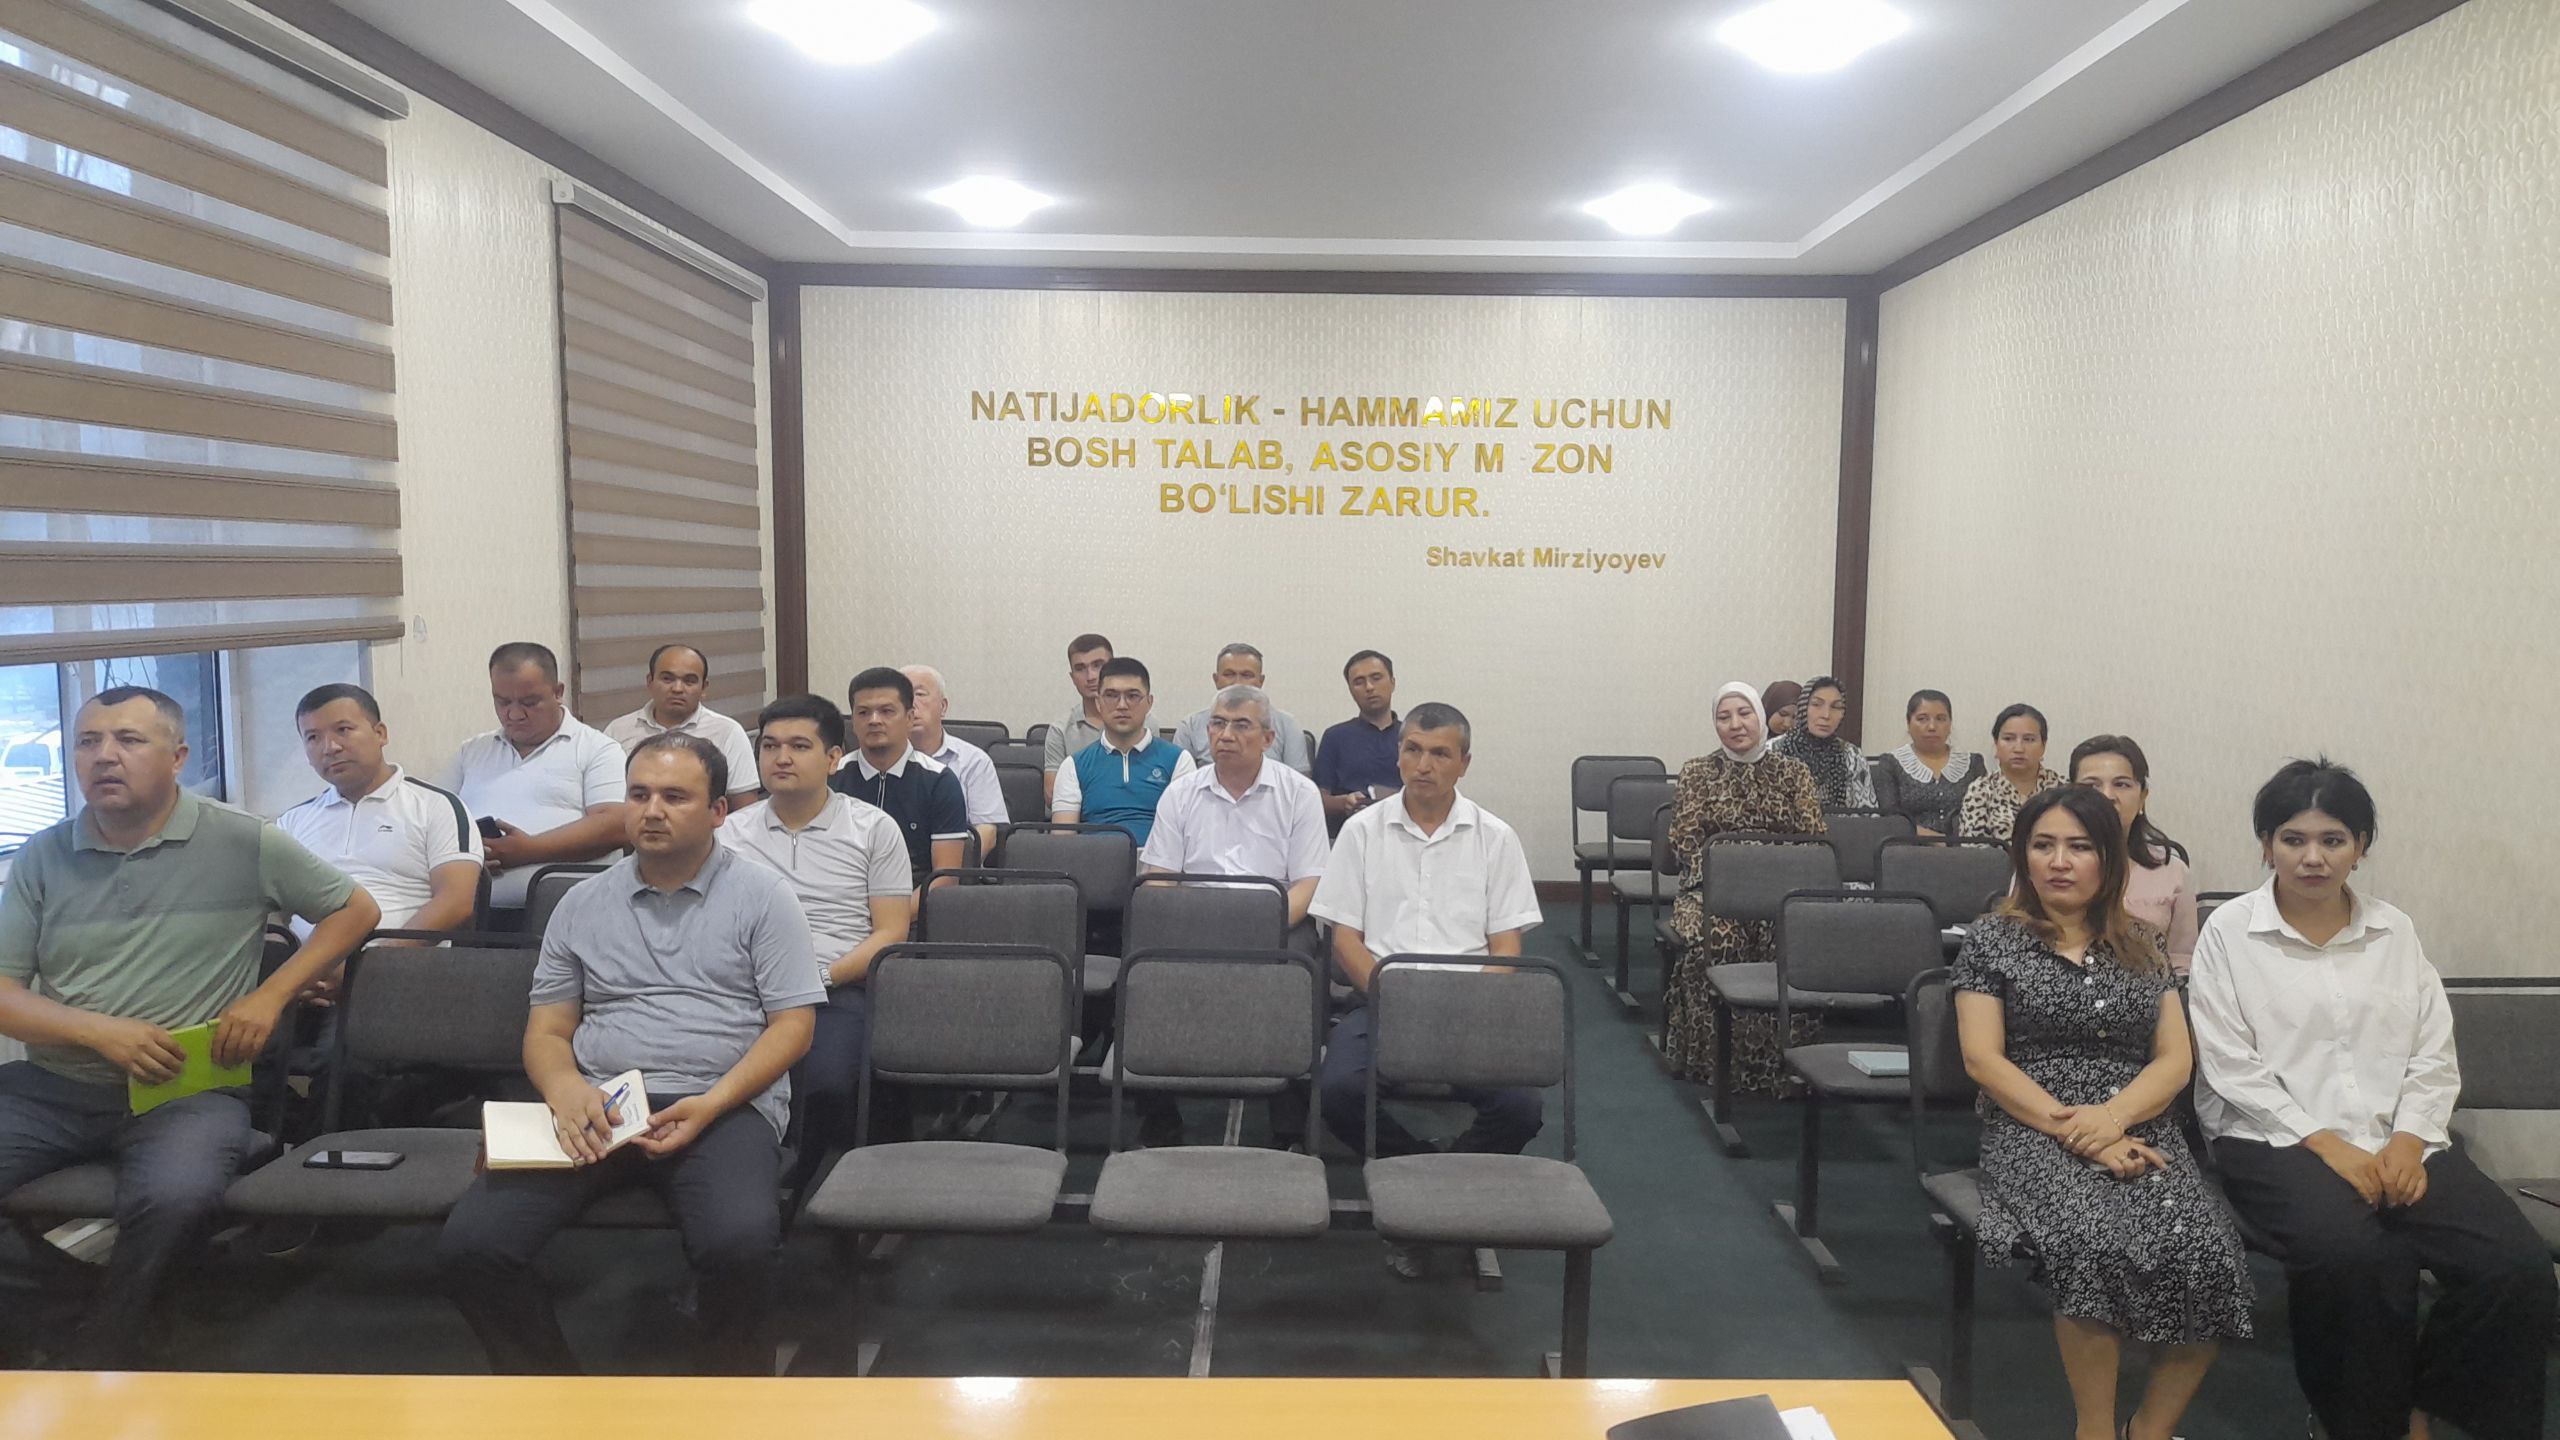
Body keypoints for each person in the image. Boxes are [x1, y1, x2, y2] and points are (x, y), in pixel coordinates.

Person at [0, 687, 379, 1367]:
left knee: (176, 1197)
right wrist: (98, 1032)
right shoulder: (42, 856)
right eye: (88, 741)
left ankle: (104, 1350)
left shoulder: (241, 840)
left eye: (128, 740)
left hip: (186, 1089)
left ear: (177, 758)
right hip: (55, 1086)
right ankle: (62, 1307)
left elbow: (355, 910)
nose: (104, 757)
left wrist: (272, 996)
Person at [2189, 760, 2554, 1440]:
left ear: (2360, 846)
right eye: (2294, 839)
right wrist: (2328, 1145)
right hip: (2274, 1139)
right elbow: (2231, 1065)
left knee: (2515, 1268)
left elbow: (2432, 1050)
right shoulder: (2230, 933)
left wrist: (2410, 1140)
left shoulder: (2394, 931)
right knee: (2356, 1258)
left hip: (2399, 1135)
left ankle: (2427, 1404)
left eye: (2334, 839)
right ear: (2266, 845)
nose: (2313, 858)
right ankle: (2360, 1424)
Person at [436, 734, 821, 1376]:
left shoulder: (764, 897)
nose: (652, 811)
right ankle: (559, 1399)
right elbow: (548, 1031)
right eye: (639, 795)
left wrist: (712, 1104)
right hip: (598, 1104)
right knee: (473, 1245)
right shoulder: (581, 902)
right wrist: (565, 1091)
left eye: (675, 797)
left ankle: (727, 1402)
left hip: (720, 1105)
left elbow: (794, 1027)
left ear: (718, 811)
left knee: (741, 1245)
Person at [1952, 784, 2252, 1440]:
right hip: (2031, 1125)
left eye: (2079, 847)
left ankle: (2149, 1430)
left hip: (2139, 1123)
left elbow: (2174, 1061)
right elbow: (1983, 1060)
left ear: (2108, 859)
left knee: (2207, 1252)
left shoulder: (2141, 943)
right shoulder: (1992, 938)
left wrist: (2112, 1119)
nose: (2059, 862)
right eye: (2043, 846)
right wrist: (2080, 1129)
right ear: (2023, 856)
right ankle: (2093, 1430)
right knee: (2092, 1243)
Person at [1310, 702, 1544, 1275]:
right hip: (1383, 999)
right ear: (1399, 755)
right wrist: (1392, 999)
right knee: (1339, 1091)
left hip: (1469, 1006)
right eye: (1413, 749)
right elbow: (1345, 939)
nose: (1423, 764)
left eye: (1440, 753)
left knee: (1522, 1107)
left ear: (1464, 763)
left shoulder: (1496, 837)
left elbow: (1506, 947)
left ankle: (1430, 1192)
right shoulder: (1362, 832)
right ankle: (1421, 1176)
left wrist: (1473, 1005)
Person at [721, 695, 913, 1177]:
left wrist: (820, 976)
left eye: (799, 746)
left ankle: (797, 1181)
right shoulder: (728, 834)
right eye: (770, 746)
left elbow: (890, 933)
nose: (781, 758)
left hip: (835, 989)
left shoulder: (874, 829)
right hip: (742, 990)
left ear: (833, 758)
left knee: (825, 1080)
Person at [1140, 683, 1332, 1148]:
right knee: (1144, 964)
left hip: (1276, 922)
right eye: (1218, 724)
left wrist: (1258, 925)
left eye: (1241, 725)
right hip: (1195, 920)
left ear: (1268, 738)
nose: (1226, 735)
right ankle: (1160, 1114)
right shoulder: (1181, 793)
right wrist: (1191, 923)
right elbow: (1159, 878)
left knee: (1299, 964)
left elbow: (1310, 883)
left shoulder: (1298, 793)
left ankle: (1288, 1120)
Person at [1659, 683, 1825, 1089]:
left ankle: (1785, 1067)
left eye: (1744, 713)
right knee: (1716, 941)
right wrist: (1737, 877)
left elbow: (1814, 840)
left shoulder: (1793, 772)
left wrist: (1768, 876)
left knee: (1792, 945)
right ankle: (1714, 1065)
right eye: (1724, 717)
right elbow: (1685, 841)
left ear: (1760, 717)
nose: (1735, 724)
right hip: (1711, 892)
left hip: (1783, 894)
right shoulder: (1698, 772)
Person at [279, 683, 484, 937]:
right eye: (313, 737)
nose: (330, 747)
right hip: (302, 959)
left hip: (400, 958)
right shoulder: (292, 822)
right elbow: (268, 908)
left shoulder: (436, 806)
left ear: (380, 734)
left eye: (343, 730)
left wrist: (383, 955)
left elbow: (456, 902)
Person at [451, 642, 627, 909]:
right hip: (473, 910)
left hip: (567, 910)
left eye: (529, 702)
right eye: (503, 702)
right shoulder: (472, 751)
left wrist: (529, 850)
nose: (514, 714)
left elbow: (615, 825)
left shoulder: (597, 749)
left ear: (558, 692)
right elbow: (431, 816)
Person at [829, 667, 969, 890]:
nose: (874, 720)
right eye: (863, 712)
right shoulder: (831, 776)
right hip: (840, 902)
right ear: (853, 721)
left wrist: (895, 911)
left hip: (914, 903)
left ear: (910, 718)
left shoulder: (939, 781)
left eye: (887, 711)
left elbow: (945, 879)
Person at [2069, 735, 2197, 974]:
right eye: (2092, 786)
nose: (2107, 796)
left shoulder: (2173, 871)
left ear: (2142, 797)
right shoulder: (2045, 866)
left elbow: (2182, 961)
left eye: (2122, 784)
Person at [1052, 657, 1194, 847]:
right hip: (1094, 861)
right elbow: (1062, 844)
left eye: (1132, 696)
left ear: (1149, 702)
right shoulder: (1073, 766)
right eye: (1111, 695)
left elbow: (1189, 834)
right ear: (1098, 703)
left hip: (1159, 862)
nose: (1122, 705)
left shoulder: (1178, 760)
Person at [601, 644, 760, 809]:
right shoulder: (618, 731)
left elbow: (746, 812)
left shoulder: (728, 732)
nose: (677, 689)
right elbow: (604, 802)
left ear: (703, 688)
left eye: (689, 681)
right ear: (650, 682)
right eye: (667, 679)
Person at [902, 664, 1006, 855]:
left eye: (920, 694)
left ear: (943, 707)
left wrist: (953, 868)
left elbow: (987, 832)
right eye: (903, 696)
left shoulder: (974, 761)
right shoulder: (881, 761)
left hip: (955, 865)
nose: (911, 704)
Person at [1168, 643, 1313, 775]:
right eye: (1229, 674)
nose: (1238, 682)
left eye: (1247, 675)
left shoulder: (1287, 724)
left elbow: (1299, 783)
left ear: (1260, 681)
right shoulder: (1190, 726)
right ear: (1216, 680)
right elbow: (1181, 784)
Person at [1873, 689, 1983, 837]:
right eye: (1922, 719)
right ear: (1908, 723)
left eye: (1940, 719)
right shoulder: (1890, 764)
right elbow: (1891, 819)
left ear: (1950, 724)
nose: (1932, 727)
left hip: (1966, 845)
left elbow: (1984, 814)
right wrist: (1938, 841)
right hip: (1908, 846)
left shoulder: (1973, 764)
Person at [1314, 649, 1402, 829]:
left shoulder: (1412, 737)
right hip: (1348, 830)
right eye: (1359, 682)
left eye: (1376, 678)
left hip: (1403, 828)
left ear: (1393, 683)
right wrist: (1343, 803)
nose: (1369, 687)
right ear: (1351, 690)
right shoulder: (1335, 736)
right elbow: (1316, 799)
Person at [1958, 702, 2064, 843]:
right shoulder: (1981, 790)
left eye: (2029, 739)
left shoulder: (2063, 788)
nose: (2018, 748)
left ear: (2043, 746)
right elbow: (1973, 850)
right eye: (2008, 739)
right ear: (1996, 745)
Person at [1767, 674, 1877, 810]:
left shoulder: (1852, 756)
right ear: (1803, 708)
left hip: (1840, 823)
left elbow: (1866, 816)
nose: (1826, 715)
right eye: (1816, 705)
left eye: (1836, 707)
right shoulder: (1771, 751)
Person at [1041, 633, 1114, 805]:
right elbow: (1052, 796)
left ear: (1113, 668)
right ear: (1072, 677)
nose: (1091, 676)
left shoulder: (1144, 722)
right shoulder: (1060, 730)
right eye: (1080, 668)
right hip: (1077, 820)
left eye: (1098, 665)